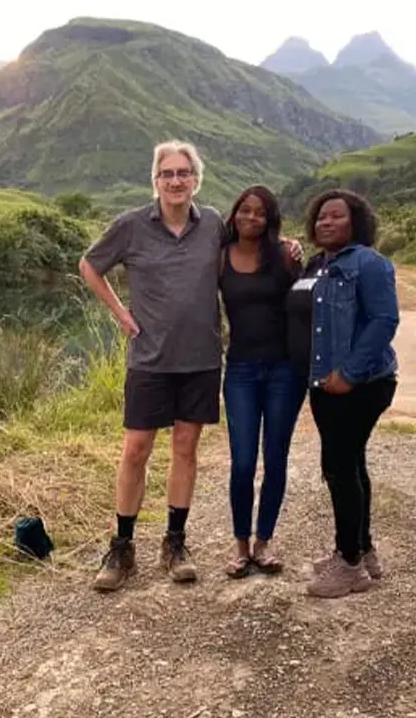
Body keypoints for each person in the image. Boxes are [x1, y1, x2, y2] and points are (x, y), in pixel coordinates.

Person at [78, 141, 302, 592]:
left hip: (201, 360)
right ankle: (122, 547)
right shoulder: (131, 226)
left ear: (196, 180)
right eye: (168, 173)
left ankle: (175, 542)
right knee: (135, 449)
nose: (176, 181)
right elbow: (89, 265)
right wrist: (120, 314)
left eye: (184, 173)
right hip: (149, 359)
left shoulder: (213, 223)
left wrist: (287, 245)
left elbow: (250, 239)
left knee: (185, 448)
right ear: (156, 180)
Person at [285, 188, 400, 599]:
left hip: (359, 384)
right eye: (321, 216)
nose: (326, 222)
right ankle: (362, 550)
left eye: (337, 216)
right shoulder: (318, 264)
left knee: (339, 468)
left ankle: (349, 565)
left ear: (357, 222)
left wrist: (349, 374)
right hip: (326, 382)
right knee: (351, 463)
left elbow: (384, 320)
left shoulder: (368, 263)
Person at [218, 185, 306, 579]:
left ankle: (263, 544)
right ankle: (240, 546)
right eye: (245, 210)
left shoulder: (285, 255)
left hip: (284, 371)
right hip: (240, 371)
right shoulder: (220, 257)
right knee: (242, 461)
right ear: (234, 213)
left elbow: (305, 303)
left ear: (270, 220)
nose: (251, 217)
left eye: (260, 212)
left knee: (275, 458)